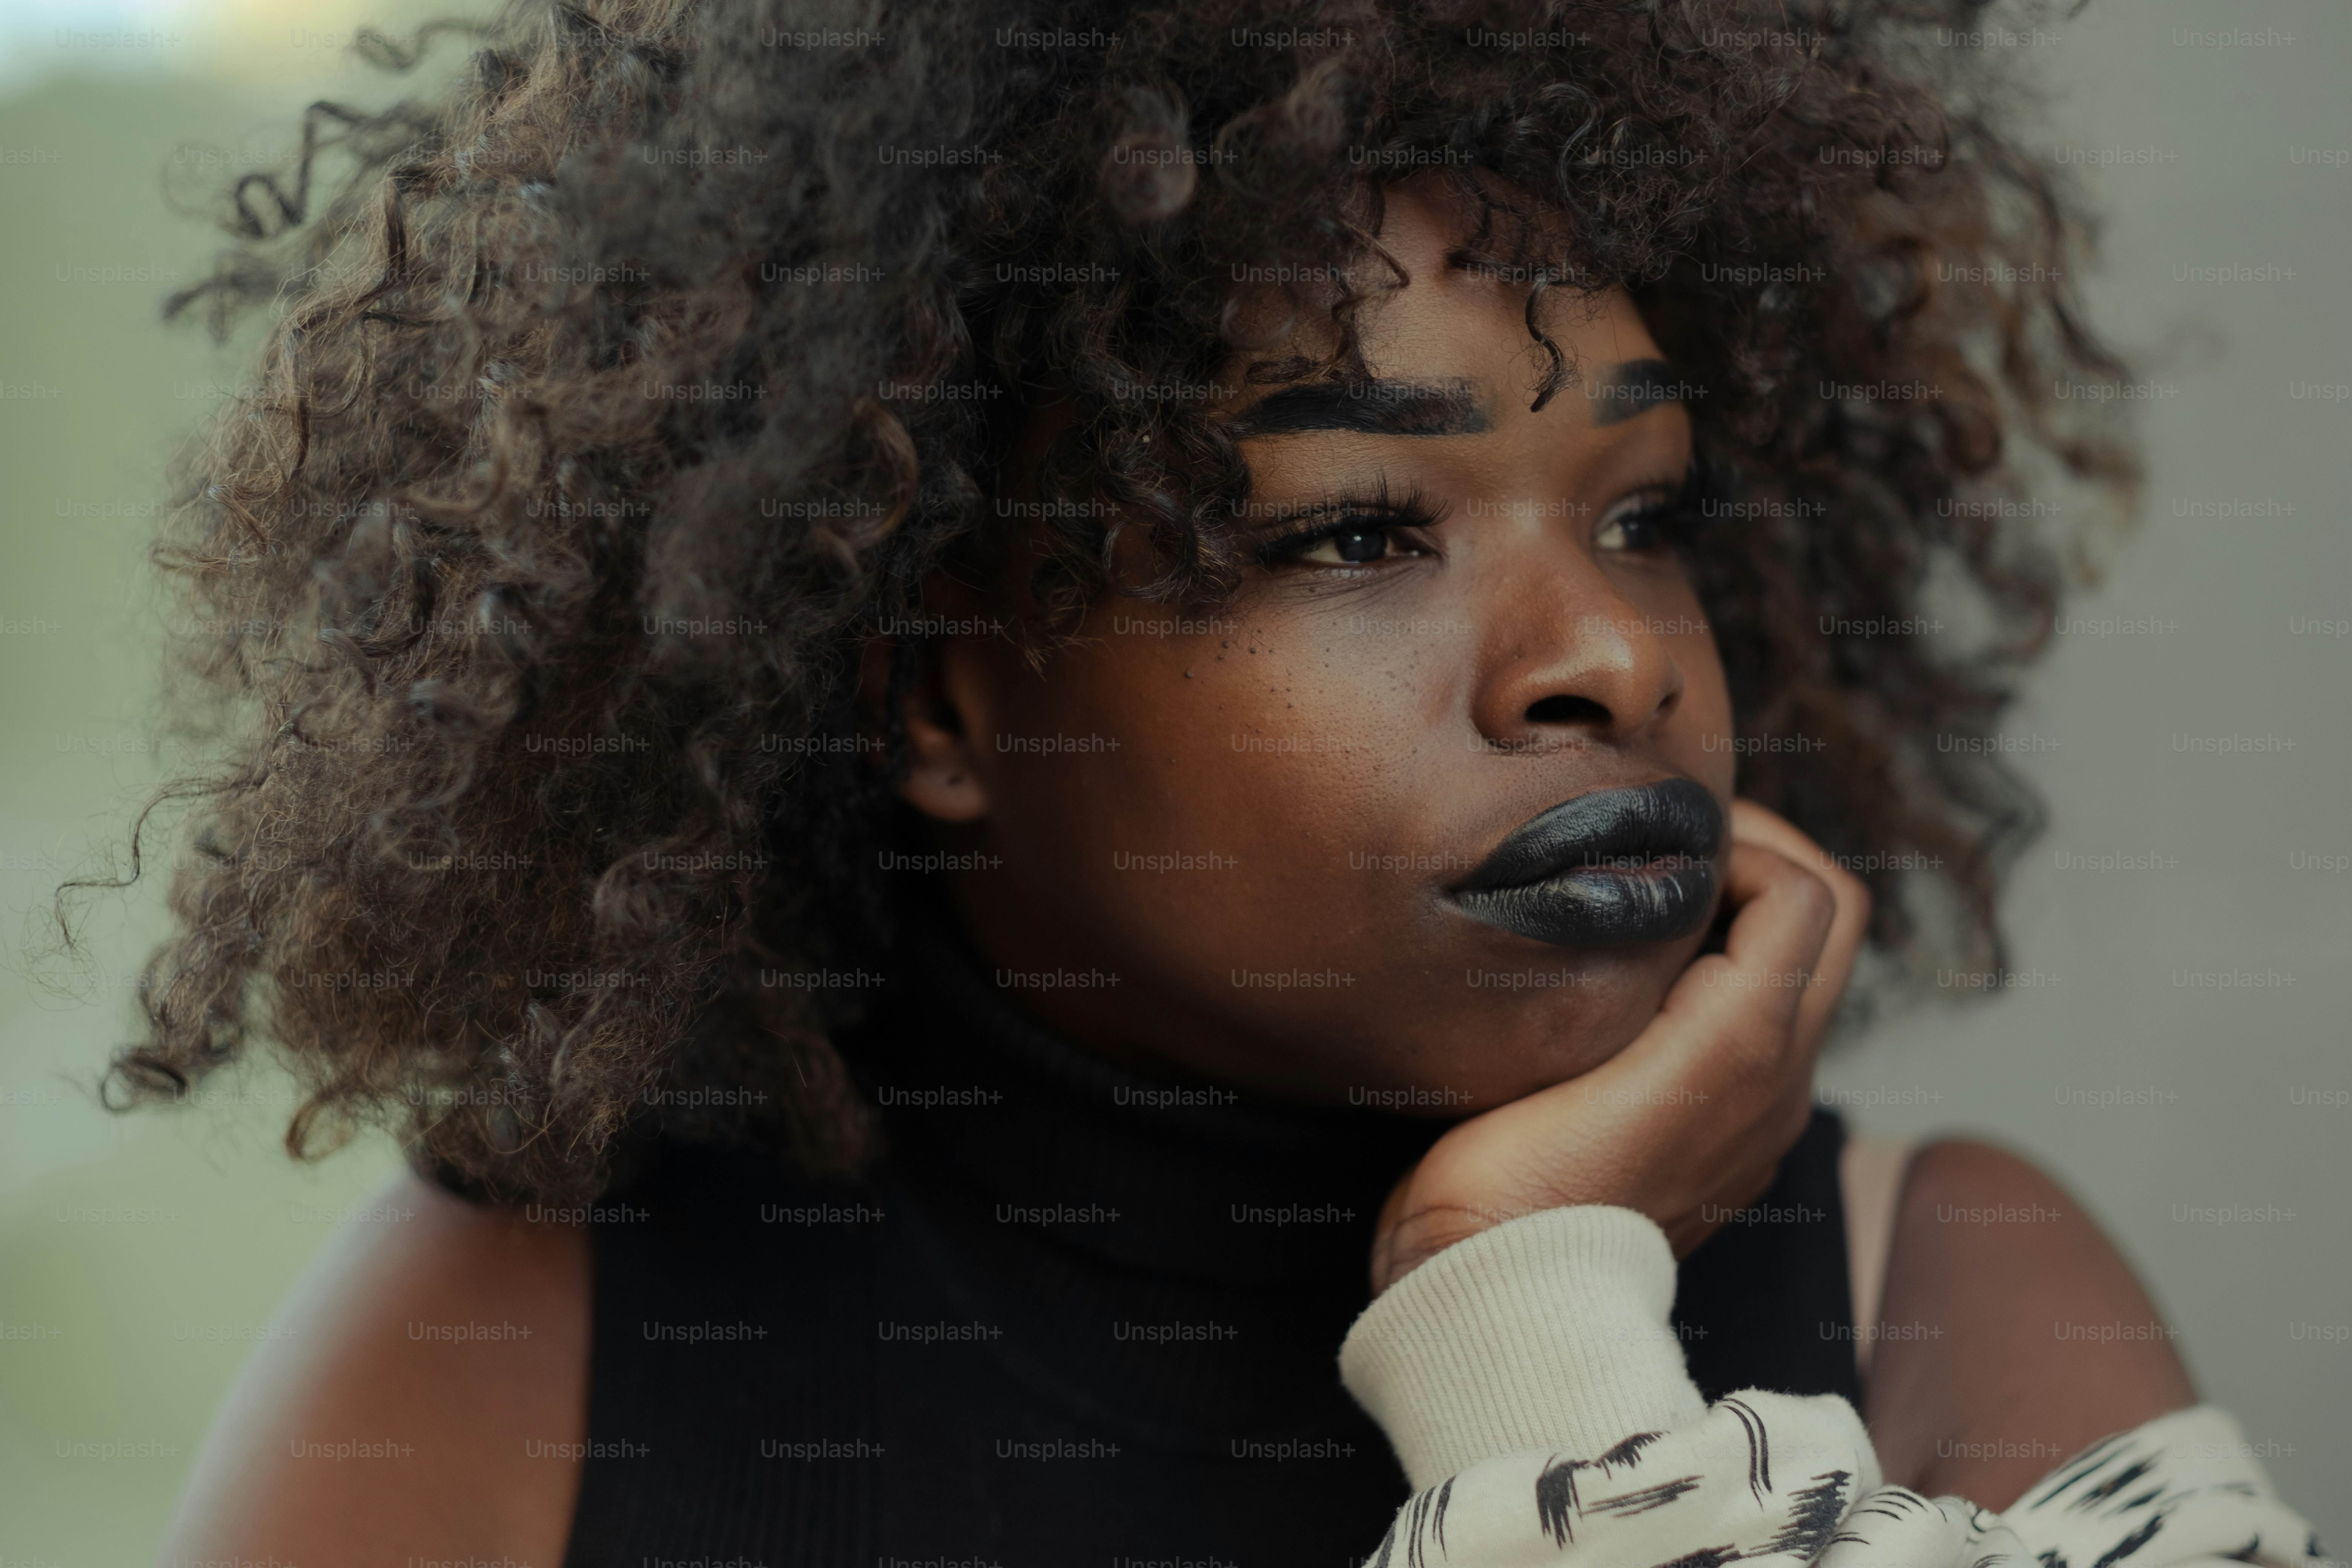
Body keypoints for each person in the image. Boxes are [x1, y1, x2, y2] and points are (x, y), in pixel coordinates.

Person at [100, 1, 2317, 1562]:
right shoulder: (524, 1356)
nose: (1612, 657)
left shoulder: (1947, 1296)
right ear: (941, 702)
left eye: (1646, 514)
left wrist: (1526, 1309)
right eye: (1355, 536)